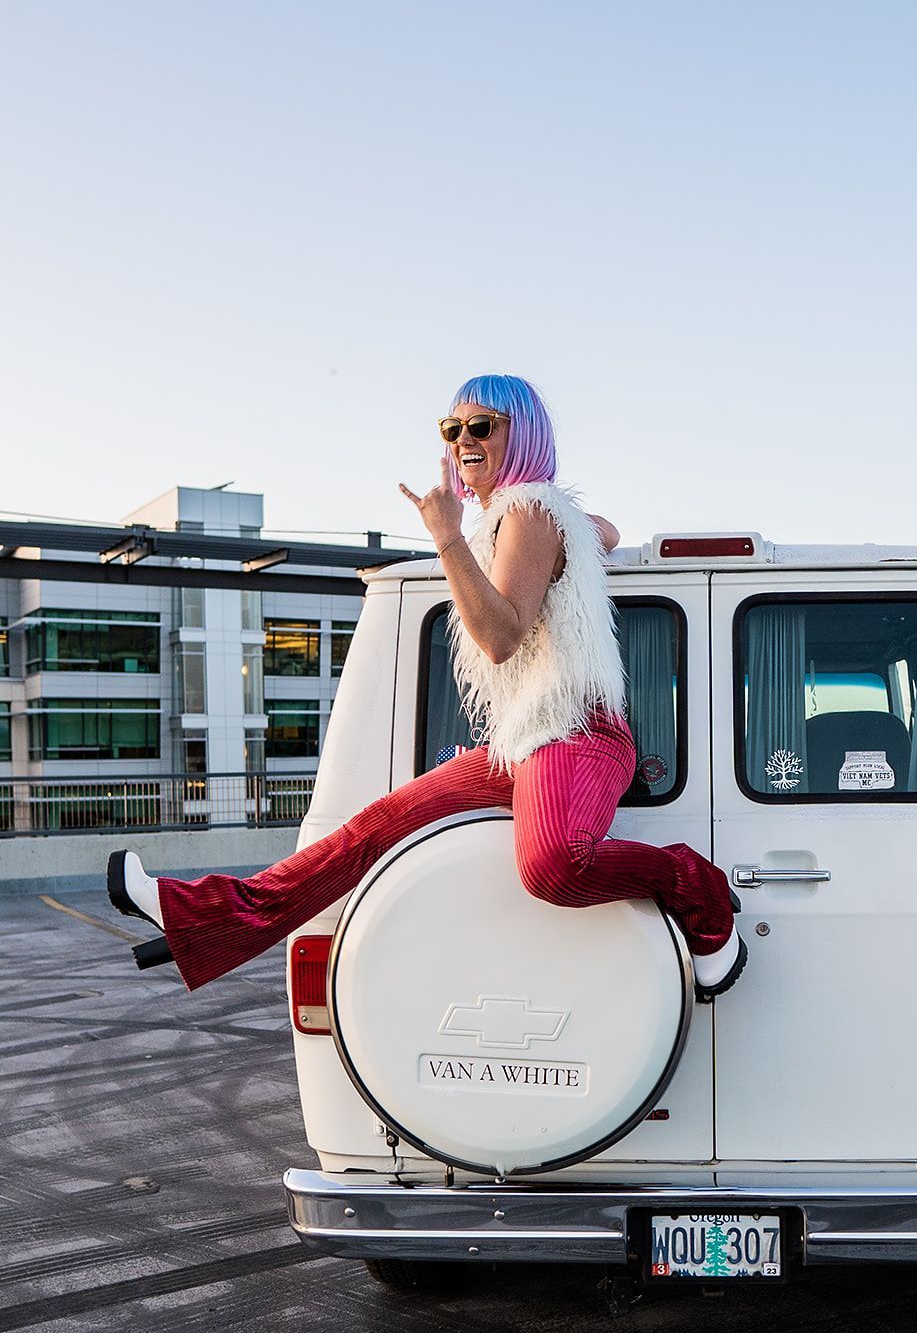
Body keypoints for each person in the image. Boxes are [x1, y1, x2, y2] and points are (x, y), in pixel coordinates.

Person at [106, 374, 745, 999]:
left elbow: (499, 636)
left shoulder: (526, 511)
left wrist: (444, 538)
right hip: (525, 744)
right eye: (452, 428)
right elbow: (600, 531)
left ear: (521, 435)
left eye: (482, 426)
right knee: (374, 827)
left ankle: (700, 891)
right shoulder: (534, 513)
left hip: (577, 735)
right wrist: (580, 528)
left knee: (551, 865)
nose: (464, 439)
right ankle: (194, 912)